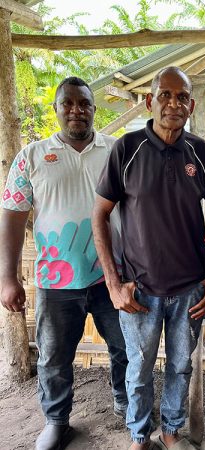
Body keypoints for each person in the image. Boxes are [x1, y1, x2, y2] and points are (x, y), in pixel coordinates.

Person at [92, 66, 205, 450]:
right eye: (165, 95)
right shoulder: (126, 148)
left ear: (191, 105)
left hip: (189, 290)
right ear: (150, 101)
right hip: (139, 292)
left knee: (181, 368)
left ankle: (170, 432)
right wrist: (114, 284)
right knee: (138, 371)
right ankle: (138, 436)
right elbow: (99, 215)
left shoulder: (199, 153)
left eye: (181, 96)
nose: (173, 103)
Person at [0, 77, 128, 450]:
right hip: (56, 281)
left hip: (112, 276)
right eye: (67, 104)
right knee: (54, 357)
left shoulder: (116, 150)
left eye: (84, 103)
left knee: (125, 347)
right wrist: (8, 277)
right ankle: (57, 421)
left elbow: (136, 209)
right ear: (56, 110)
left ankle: (125, 405)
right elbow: (12, 216)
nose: (77, 110)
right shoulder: (32, 157)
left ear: (93, 108)